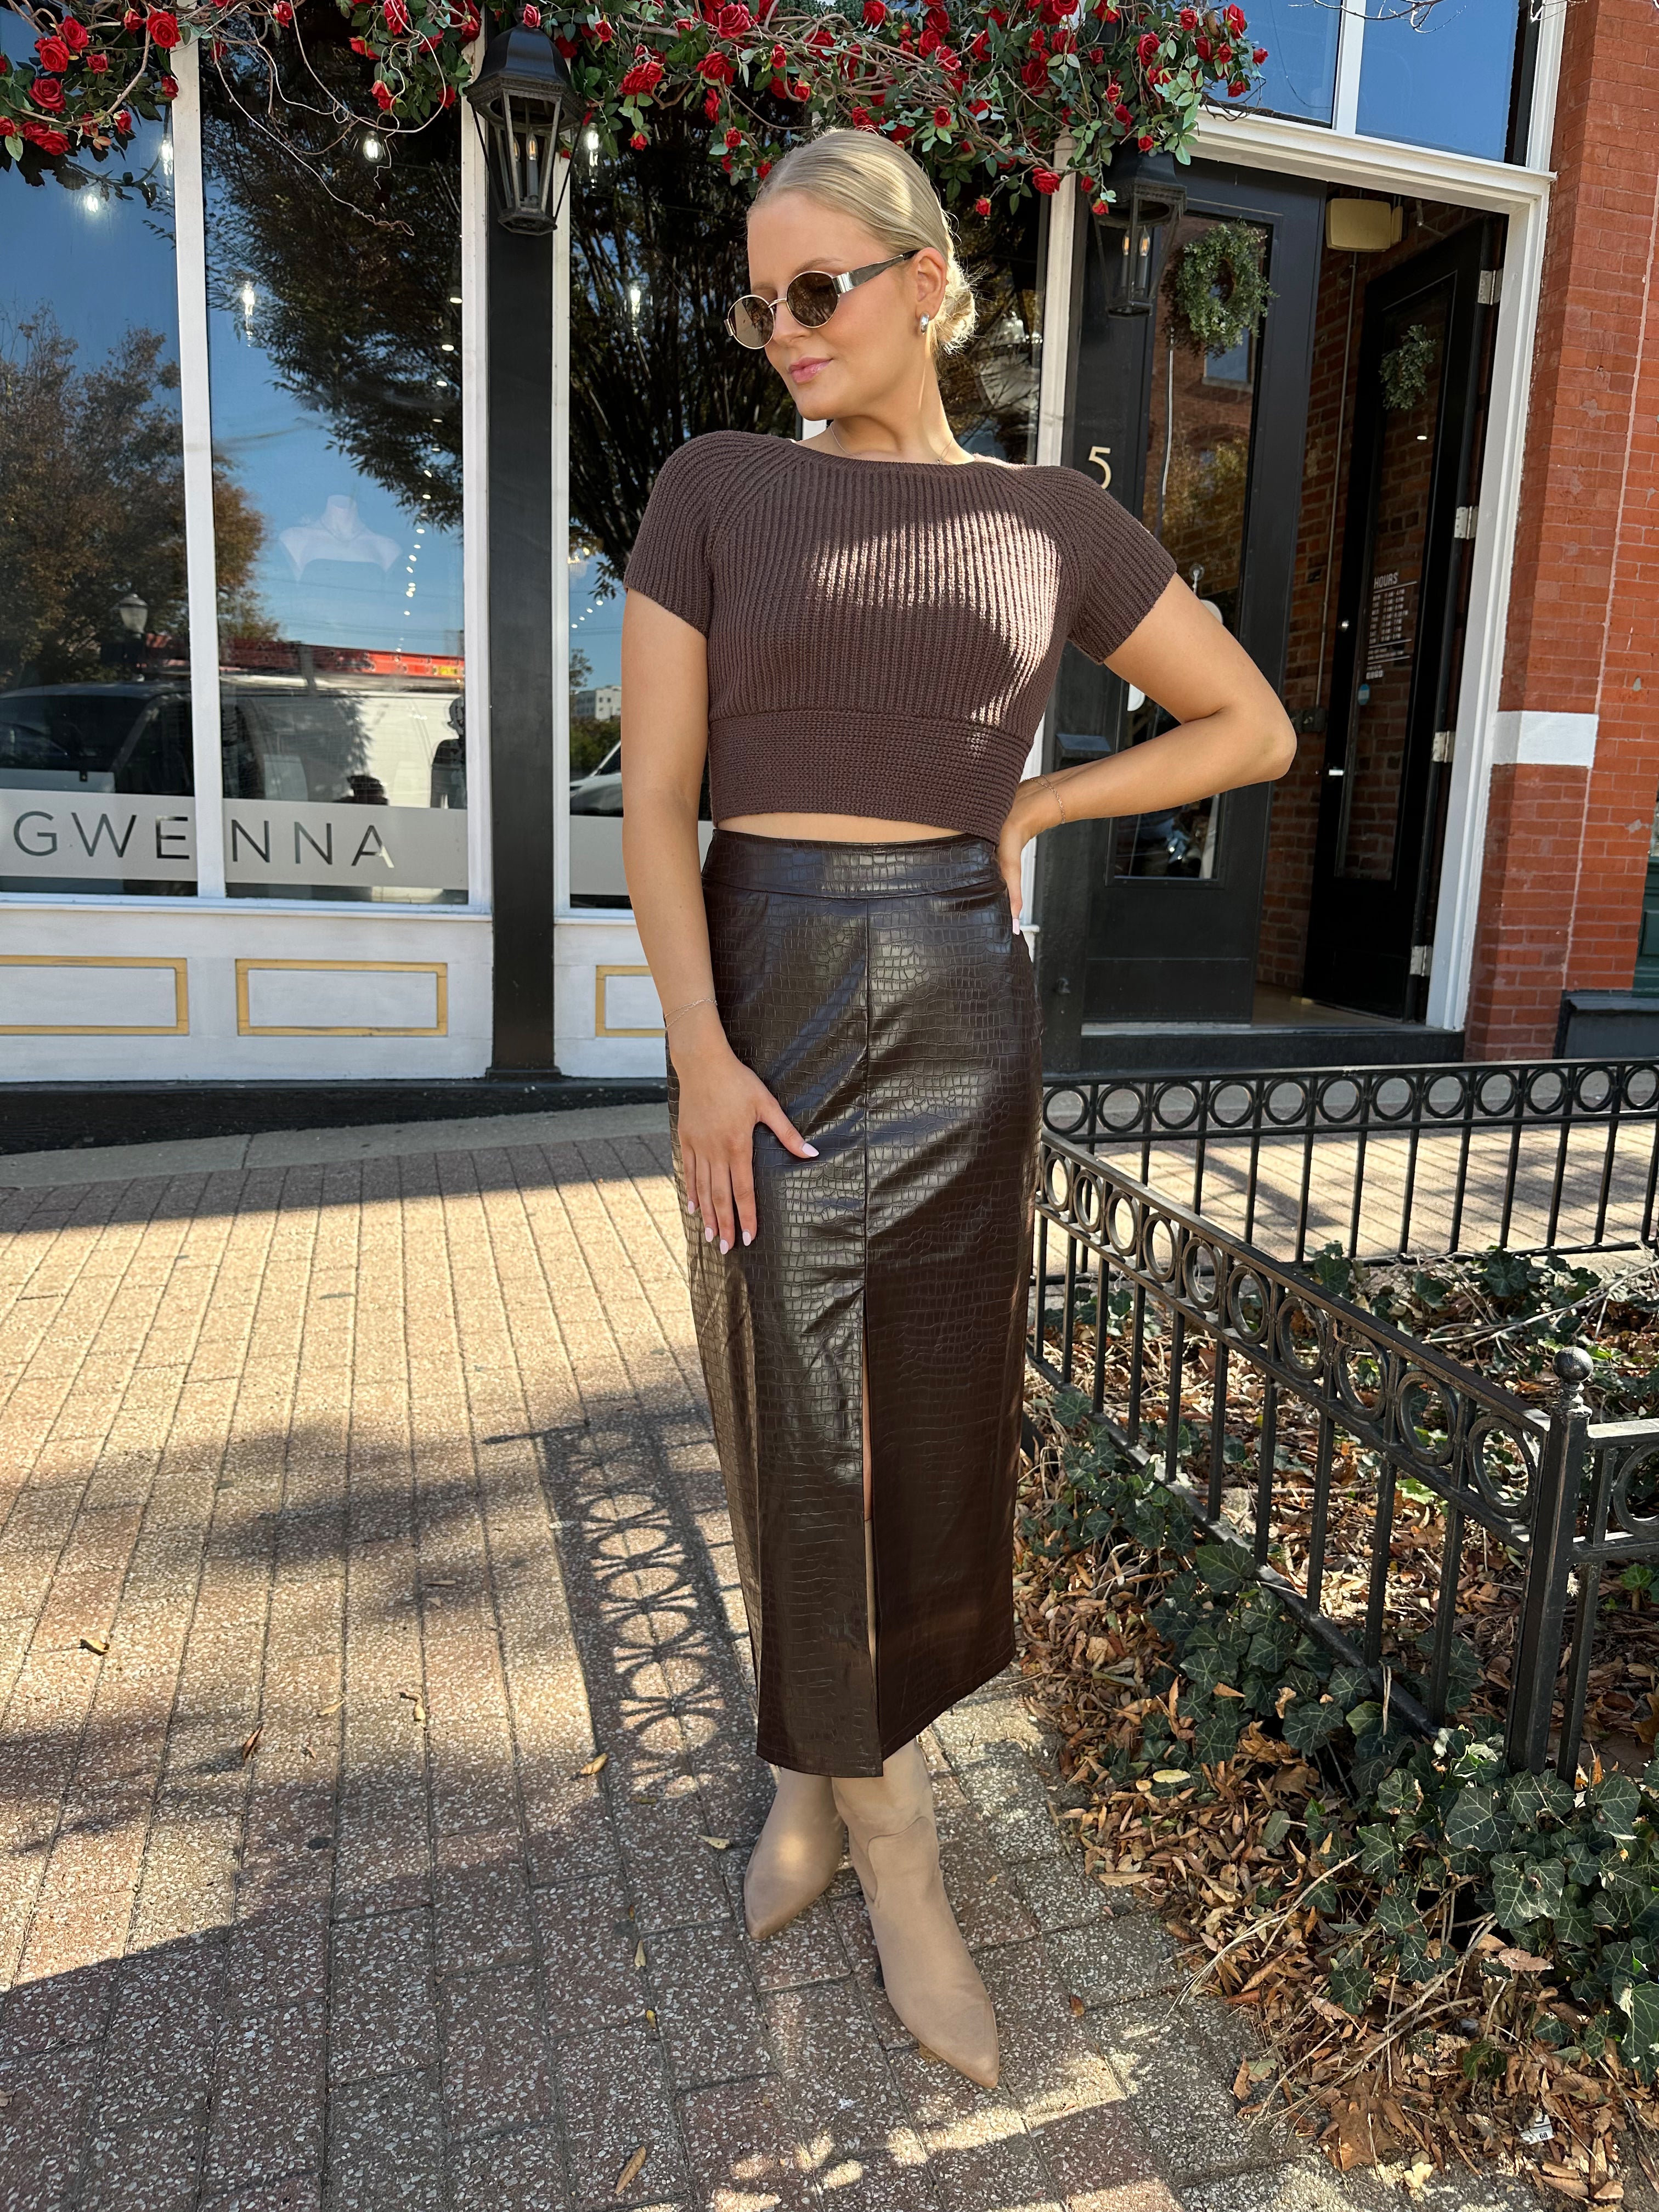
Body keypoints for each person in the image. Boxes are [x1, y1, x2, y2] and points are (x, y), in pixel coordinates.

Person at [619, 126, 1296, 2090]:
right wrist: (700, 1052)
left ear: (928, 280)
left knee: (917, 1428)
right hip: (765, 998)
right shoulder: (720, 490)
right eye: (763, 303)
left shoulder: (1051, 520)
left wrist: (1029, 804)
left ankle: (826, 1791)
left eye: (818, 289)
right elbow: (658, 804)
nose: (785, 333)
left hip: (958, 1013)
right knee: (786, 1423)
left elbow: (1243, 723)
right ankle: (893, 1840)